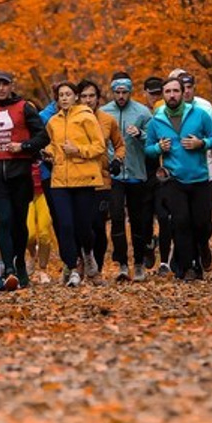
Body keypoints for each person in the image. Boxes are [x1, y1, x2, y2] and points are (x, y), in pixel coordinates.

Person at [0, 71, 48, 291]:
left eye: (5, 84)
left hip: (20, 174)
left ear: (11, 86)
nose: (1, 89)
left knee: (19, 224)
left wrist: (23, 146)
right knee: (3, 221)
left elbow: (43, 136)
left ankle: (20, 263)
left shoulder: (25, 107)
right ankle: (9, 270)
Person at [144, 76, 212, 281]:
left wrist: (202, 143)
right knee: (181, 223)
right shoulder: (157, 120)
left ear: (183, 93)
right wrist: (158, 148)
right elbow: (148, 149)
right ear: (163, 95)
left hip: (199, 179)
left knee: (202, 224)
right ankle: (188, 267)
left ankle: (202, 251)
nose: (172, 95)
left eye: (176, 91)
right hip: (174, 179)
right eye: (168, 91)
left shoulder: (200, 114)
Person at [44, 80, 106, 287]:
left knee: (83, 226)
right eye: (61, 95)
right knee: (65, 225)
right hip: (60, 179)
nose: (64, 98)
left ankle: (88, 254)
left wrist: (78, 150)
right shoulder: (53, 121)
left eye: (68, 94)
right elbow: (53, 146)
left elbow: (99, 147)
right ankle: (72, 266)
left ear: (76, 96)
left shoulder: (86, 117)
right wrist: (49, 154)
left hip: (84, 178)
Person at [102, 72, 154, 281]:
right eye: (117, 92)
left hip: (136, 173)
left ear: (131, 92)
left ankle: (139, 262)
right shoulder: (104, 113)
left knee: (138, 220)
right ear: (112, 92)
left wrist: (140, 135)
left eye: (125, 92)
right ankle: (122, 264)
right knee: (116, 219)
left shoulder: (142, 112)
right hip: (113, 175)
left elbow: (154, 142)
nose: (121, 95)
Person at [78, 79, 124, 283]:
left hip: (102, 179)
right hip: (78, 180)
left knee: (98, 225)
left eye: (92, 96)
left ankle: (96, 267)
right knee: (82, 225)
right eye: (84, 96)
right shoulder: (72, 120)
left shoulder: (107, 120)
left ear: (98, 98)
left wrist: (118, 160)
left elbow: (120, 145)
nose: (88, 100)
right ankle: (81, 262)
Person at [142, 75, 172, 275]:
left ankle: (165, 262)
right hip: (144, 173)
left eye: (158, 93)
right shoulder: (141, 114)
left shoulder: (168, 113)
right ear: (145, 94)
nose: (155, 97)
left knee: (164, 217)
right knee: (144, 219)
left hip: (165, 174)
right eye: (151, 94)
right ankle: (148, 245)